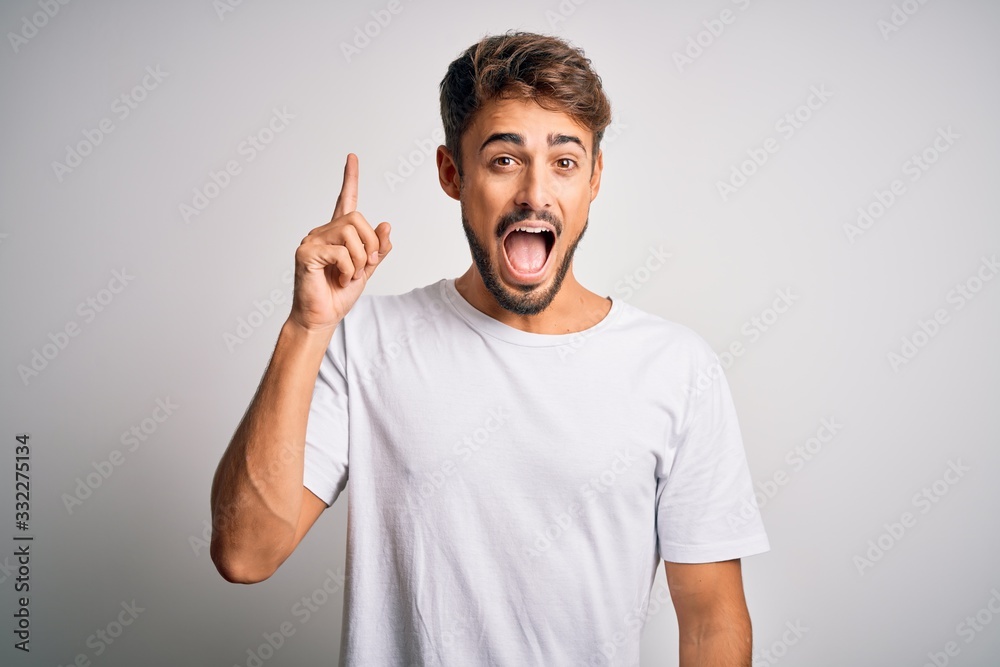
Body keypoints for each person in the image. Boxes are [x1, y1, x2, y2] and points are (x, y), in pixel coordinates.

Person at [210, 30, 769, 666]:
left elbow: (710, 619)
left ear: (594, 179)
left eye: (565, 161)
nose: (536, 191)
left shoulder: (676, 369)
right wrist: (305, 329)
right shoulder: (366, 343)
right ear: (453, 173)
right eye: (505, 159)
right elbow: (244, 552)